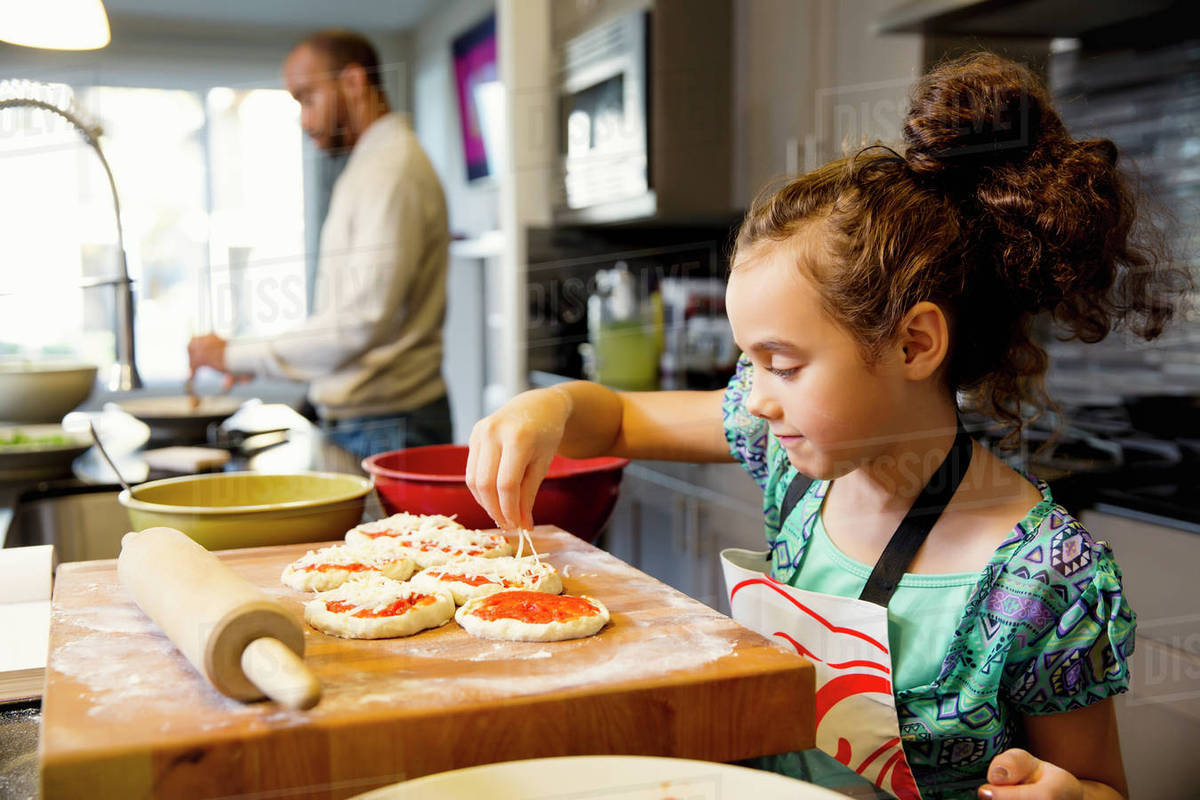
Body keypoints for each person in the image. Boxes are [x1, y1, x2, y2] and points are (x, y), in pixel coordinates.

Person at [465, 53, 1186, 799]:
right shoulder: (794, 463)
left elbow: (1103, 788)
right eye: (750, 362)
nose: (755, 400)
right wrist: (546, 407)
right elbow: (615, 417)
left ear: (914, 344)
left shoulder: (1045, 581)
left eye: (781, 363)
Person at [188, 29, 452, 460]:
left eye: (308, 98)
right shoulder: (373, 165)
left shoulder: (391, 170)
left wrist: (236, 354)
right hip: (374, 422)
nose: (304, 119)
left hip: (388, 426)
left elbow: (359, 323)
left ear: (352, 82)